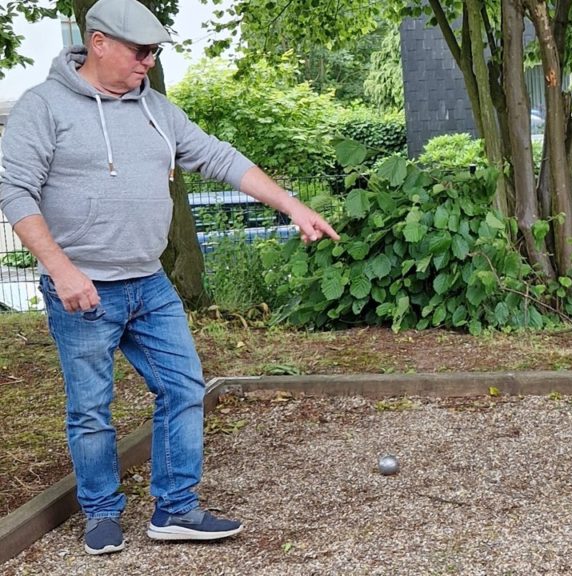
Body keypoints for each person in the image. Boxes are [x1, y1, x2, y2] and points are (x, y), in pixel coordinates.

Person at [0, 0, 339, 556]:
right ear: (99, 42)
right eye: (140, 51)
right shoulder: (44, 107)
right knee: (91, 409)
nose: (149, 62)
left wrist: (292, 205)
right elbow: (15, 192)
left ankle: (176, 509)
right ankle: (101, 512)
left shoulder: (156, 108)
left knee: (183, 388)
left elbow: (219, 157)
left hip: (149, 282)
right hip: (82, 287)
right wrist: (60, 270)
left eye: (154, 52)